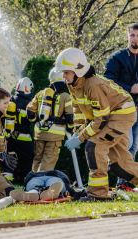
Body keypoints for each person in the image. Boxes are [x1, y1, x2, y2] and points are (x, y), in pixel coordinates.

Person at [57, 47, 138, 201]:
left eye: (66, 72)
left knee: (94, 145)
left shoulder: (93, 85)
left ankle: (97, 195)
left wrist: (80, 138)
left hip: (122, 114)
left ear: (77, 71)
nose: (63, 76)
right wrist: (77, 130)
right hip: (113, 116)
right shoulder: (73, 84)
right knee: (119, 165)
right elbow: (77, 108)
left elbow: (101, 120)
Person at [104, 23, 138, 192]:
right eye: (132, 35)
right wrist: (129, 88)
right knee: (126, 145)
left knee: (133, 148)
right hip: (122, 111)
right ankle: (120, 184)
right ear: (127, 36)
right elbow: (107, 84)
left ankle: (124, 184)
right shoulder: (115, 58)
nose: (135, 39)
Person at [26, 68, 74, 172]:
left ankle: (32, 183)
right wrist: (70, 129)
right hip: (55, 136)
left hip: (39, 134)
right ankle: (40, 184)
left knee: (37, 159)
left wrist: (36, 120)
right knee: (48, 160)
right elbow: (70, 117)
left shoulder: (41, 94)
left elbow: (30, 111)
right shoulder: (66, 96)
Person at [6, 77, 35, 184]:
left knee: (8, 161)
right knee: (29, 162)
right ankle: (29, 184)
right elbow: (34, 120)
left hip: (9, 138)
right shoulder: (30, 104)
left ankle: (6, 185)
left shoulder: (10, 100)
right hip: (24, 140)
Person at [10, 170, 77, 202]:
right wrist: (68, 190)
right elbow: (66, 183)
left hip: (36, 177)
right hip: (53, 177)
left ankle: (32, 193)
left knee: (33, 187)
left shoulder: (33, 173)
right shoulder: (57, 172)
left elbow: (26, 181)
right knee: (55, 185)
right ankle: (52, 194)